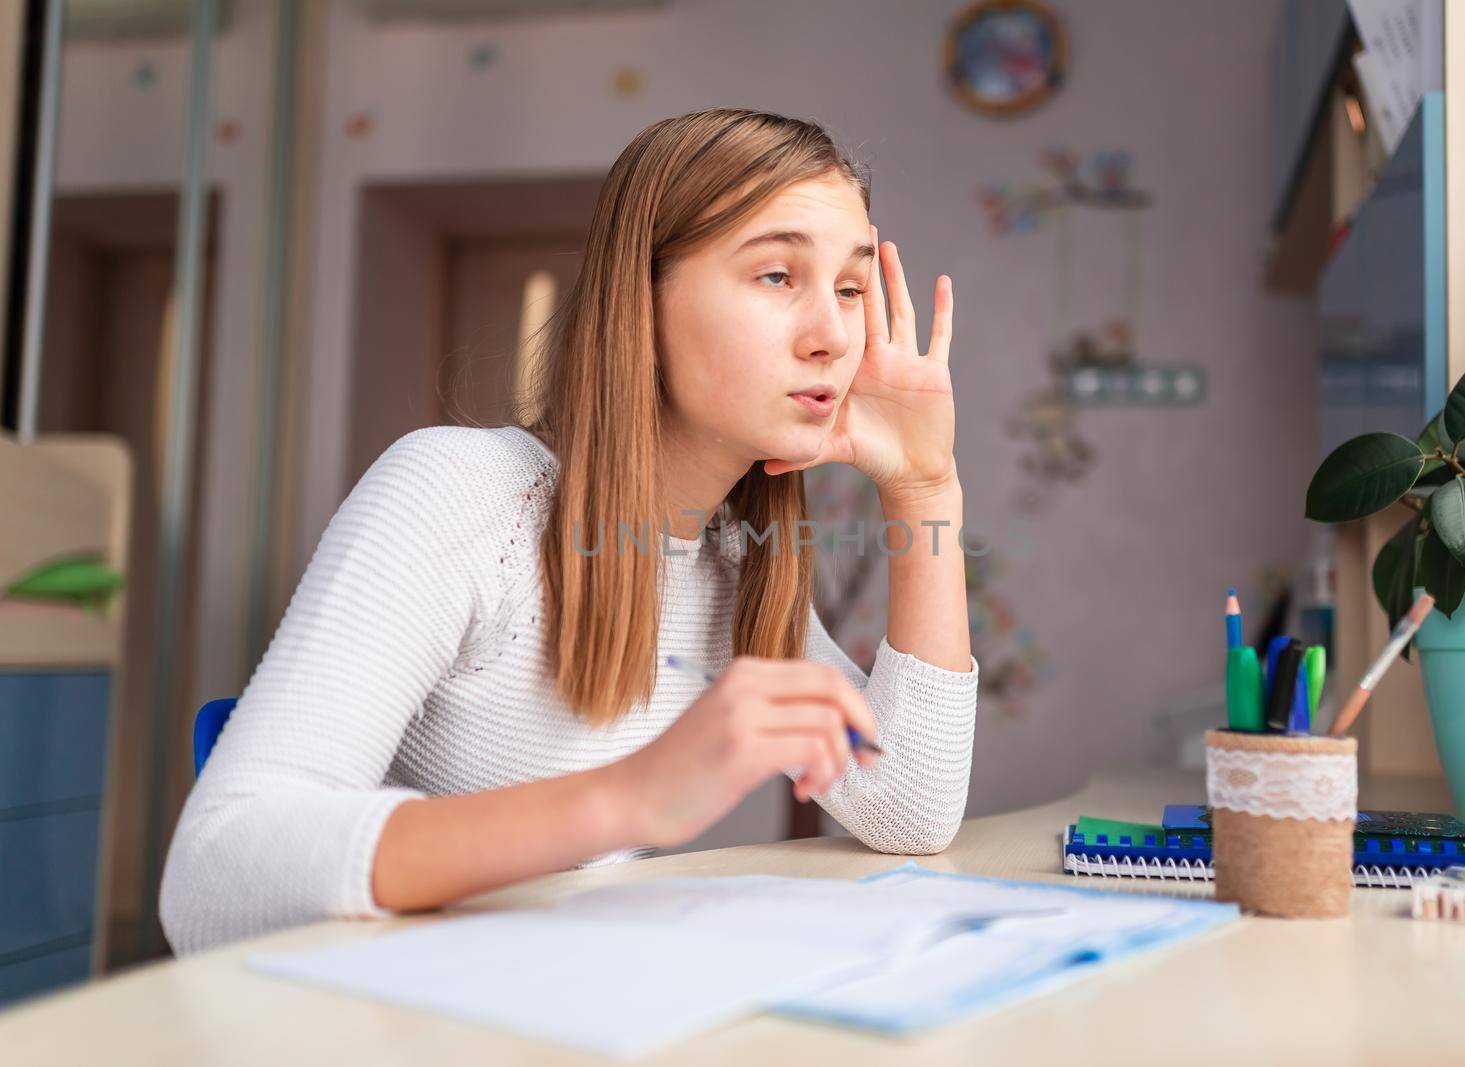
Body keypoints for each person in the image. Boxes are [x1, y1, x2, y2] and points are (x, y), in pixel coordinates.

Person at [160, 107, 979, 955]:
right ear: (643, 298)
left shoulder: (730, 562)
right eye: (777, 275)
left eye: (851, 289)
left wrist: (925, 487)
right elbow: (216, 872)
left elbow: (911, 808)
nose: (834, 336)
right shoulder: (465, 495)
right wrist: (628, 797)